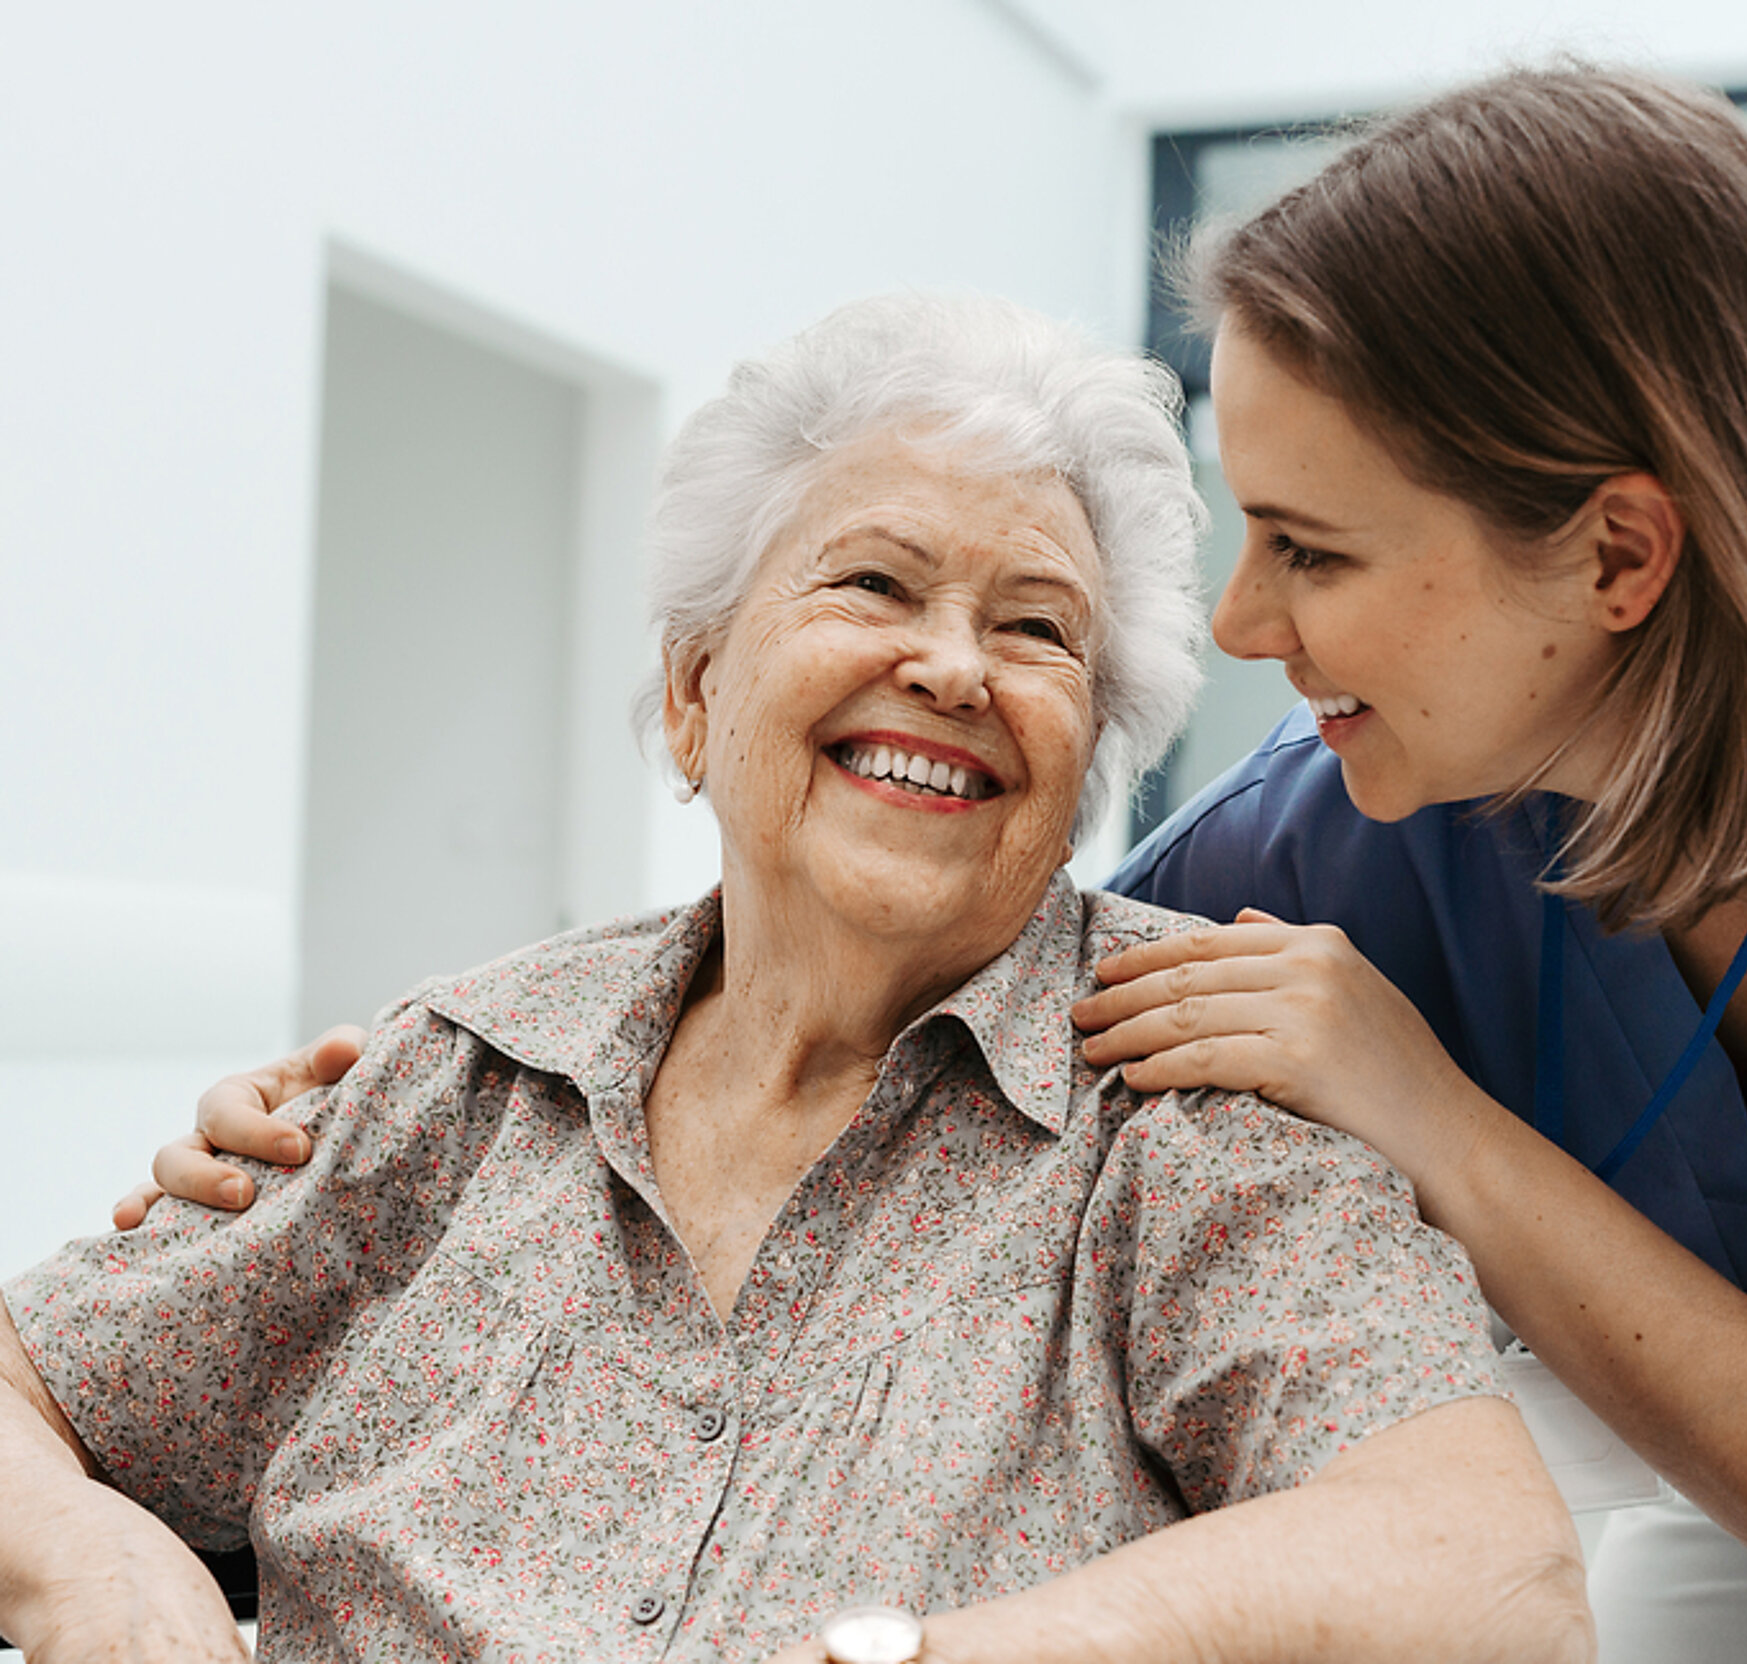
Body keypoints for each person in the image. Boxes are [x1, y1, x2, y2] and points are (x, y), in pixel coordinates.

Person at [125, 64, 1747, 1664]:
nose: (1252, 633)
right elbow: (947, 977)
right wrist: (420, 1117)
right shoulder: (1362, 813)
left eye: (1304, 544)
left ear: (1616, 555)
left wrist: (1442, 1126)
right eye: (864, 593)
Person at [5, 291, 1591, 1664]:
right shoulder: (463, 1078)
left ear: (1087, 764)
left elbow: (1488, 1575)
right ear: (697, 697)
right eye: (875, 586)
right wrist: (92, 1557)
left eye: (1036, 628)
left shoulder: (1182, 1101)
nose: (955, 668)